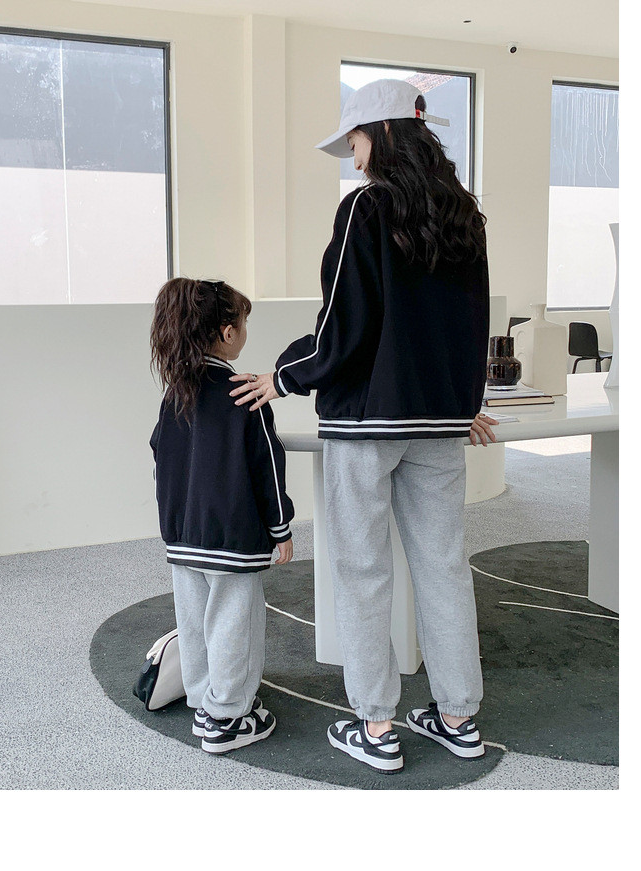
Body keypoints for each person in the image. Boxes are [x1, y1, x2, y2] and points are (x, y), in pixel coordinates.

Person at [230, 79, 498, 774]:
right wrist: (461, 401)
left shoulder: (365, 208)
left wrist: (285, 375)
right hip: (437, 425)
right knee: (443, 566)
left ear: (378, 133)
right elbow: (472, 322)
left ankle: (375, 725)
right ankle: (458, 716)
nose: (351, 157)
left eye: (352, 141)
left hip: (367, 421)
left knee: (361, 569)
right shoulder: (464, 215)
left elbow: (343, 324)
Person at [150, 277, 295, 754]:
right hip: (233, 536)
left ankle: (205, 701)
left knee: (195, 624)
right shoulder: (244, 392)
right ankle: (228, 717)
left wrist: (172, 527)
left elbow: (162, 460)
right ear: (228, 332)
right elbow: (267, 464)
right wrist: (280, 528)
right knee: (235, 625)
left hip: (183, 535)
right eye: (244, 324)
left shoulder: (175, 391)